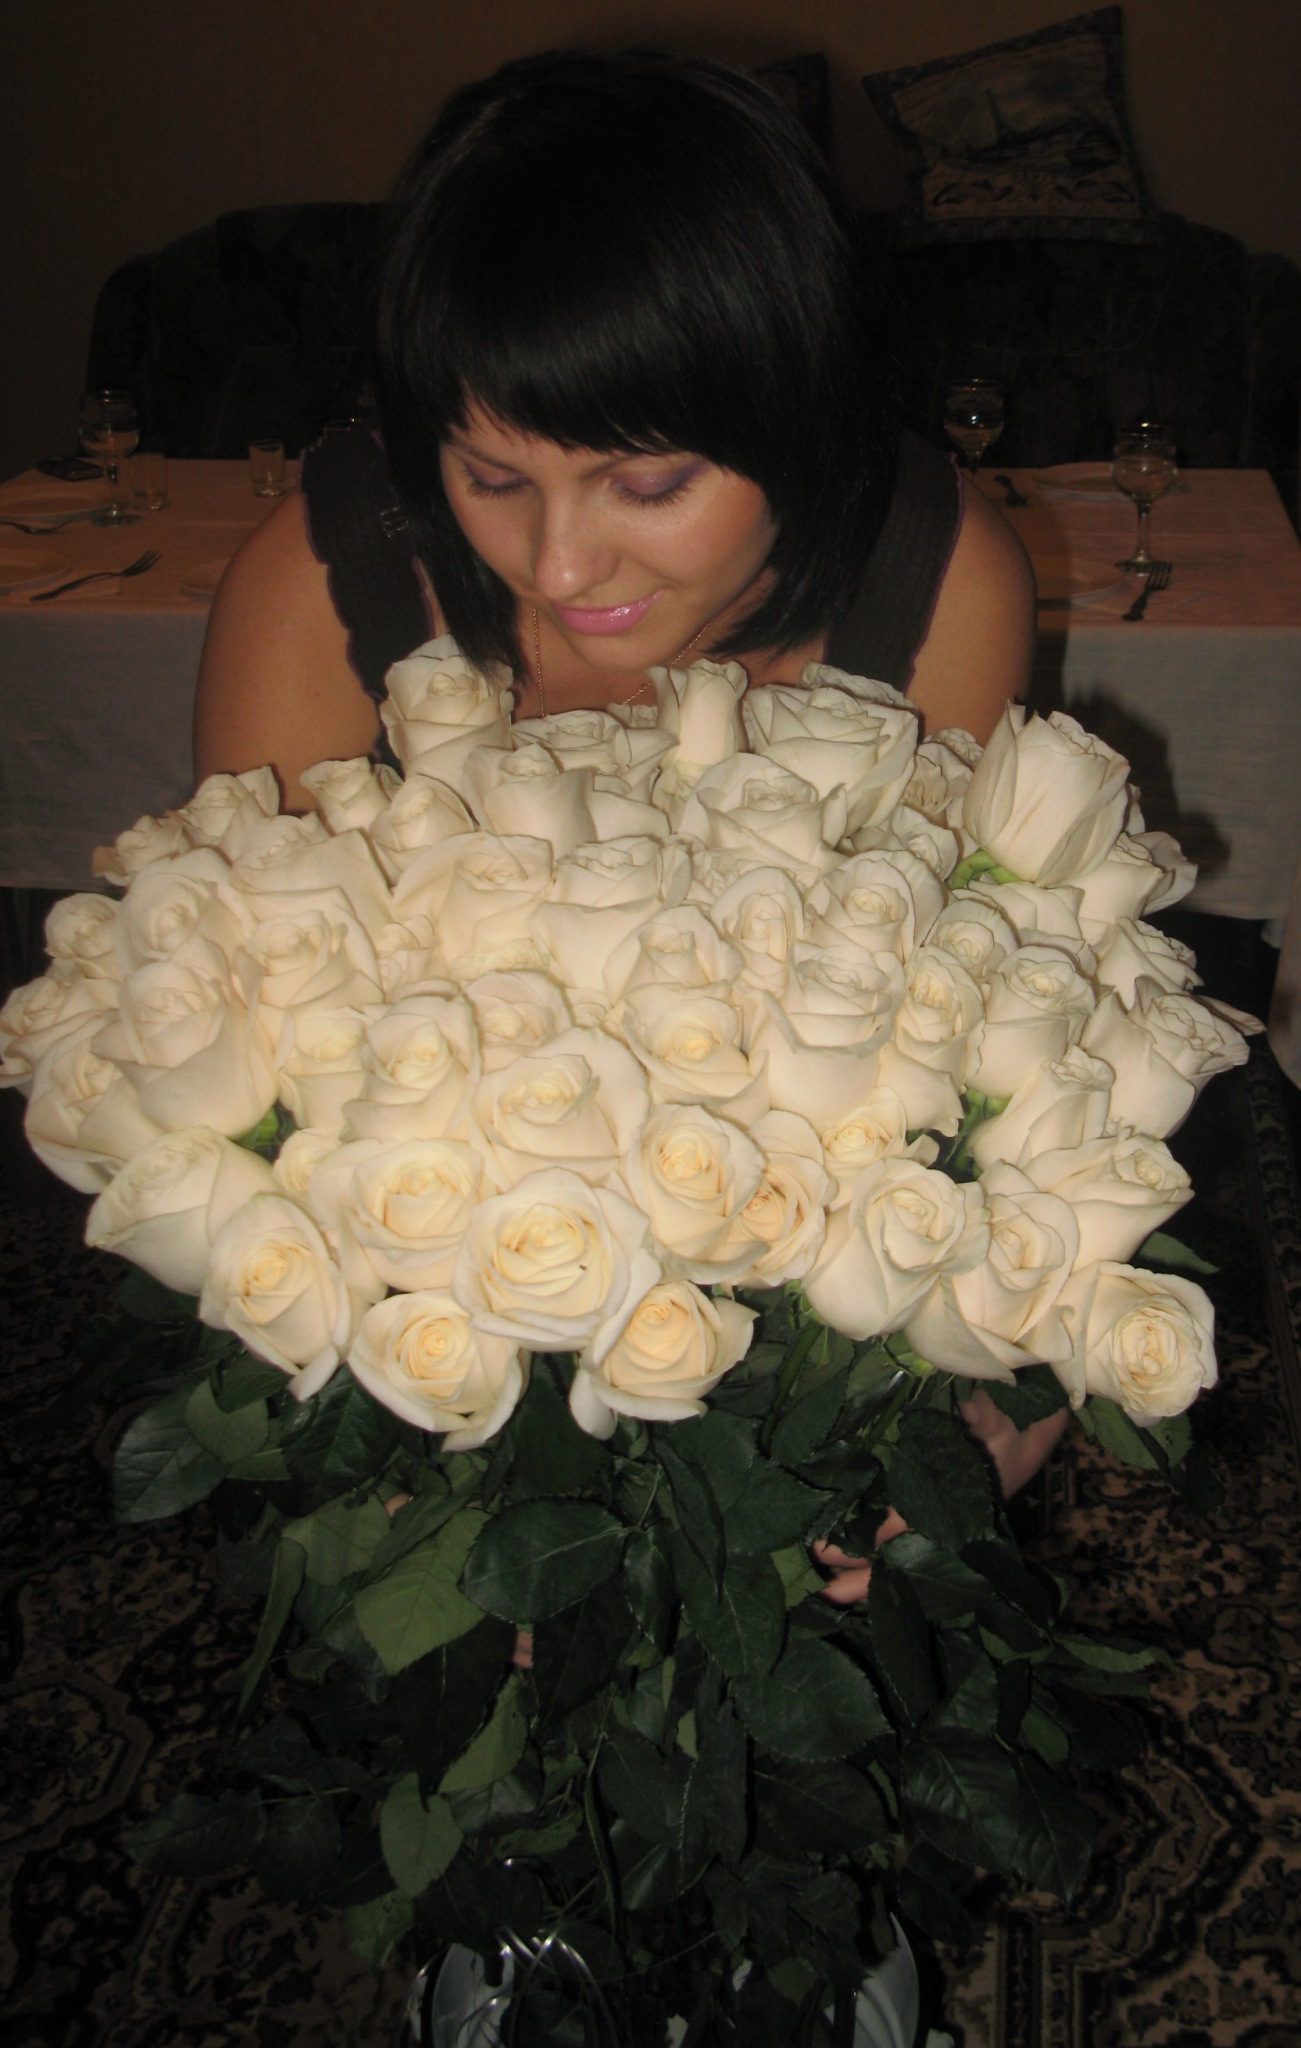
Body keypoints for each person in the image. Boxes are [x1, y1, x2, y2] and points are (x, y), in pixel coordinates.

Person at [192, 47, 1062, 1568]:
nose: (559, 568)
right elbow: (246, 1076)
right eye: (489, 474)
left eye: (647, 485)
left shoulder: (935, 583)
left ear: (800, 407)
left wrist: (978, 1375)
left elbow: (956, 1043)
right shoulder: (319, 576)